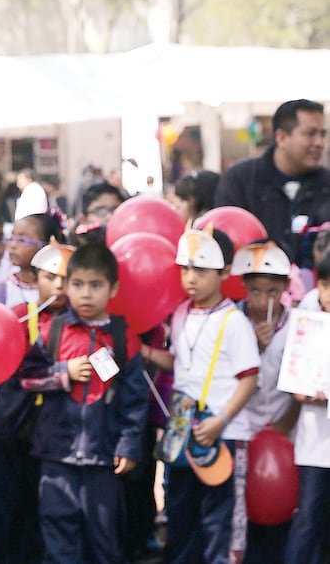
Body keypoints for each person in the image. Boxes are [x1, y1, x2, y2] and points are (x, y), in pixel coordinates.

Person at [19, 242, 146, 564]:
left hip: (102, 459)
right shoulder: (53, 331)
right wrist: (64, 373)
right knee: (58, 537)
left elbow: (135, 400)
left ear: (113, 288)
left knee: (104, 539)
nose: (85, 294)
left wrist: (128, 446)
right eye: (77, 284)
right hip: (56, 456)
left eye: (95, 285)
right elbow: (27, 378)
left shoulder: (122, 338)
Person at [142, 227, 259, 564]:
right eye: (186, 269)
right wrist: (149, 354)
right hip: (182, 430)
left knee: (217, 519)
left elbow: (249, 379)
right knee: (180, 512)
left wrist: (222, 420)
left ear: (223, 273)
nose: (191, 278)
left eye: (201, 271)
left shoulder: (234, 321)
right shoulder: (180, 313)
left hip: (222, 433)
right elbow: (179, 362)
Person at [0, 240, 74, 564]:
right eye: (50, 277)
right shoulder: (19, 317)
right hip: (11, 425)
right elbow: (19, 375)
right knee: (2, 506)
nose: (58, 286)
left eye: (67, 279)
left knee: (41, 512)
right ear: (36, 279)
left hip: (55, 436)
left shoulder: (83, 324)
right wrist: (63, 375)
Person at [230, 240, 298, 563]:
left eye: (272, 291)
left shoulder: (298, 326)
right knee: (242, 507)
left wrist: (287, 425)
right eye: (255, 291)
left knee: (281, 508)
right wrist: (252, 348)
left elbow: (302, 380)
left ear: (285, 288)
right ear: (243, 285)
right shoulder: (233, 322)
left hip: (285, 432)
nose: (262, 300)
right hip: (242, 429)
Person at [214, 99, 330, 267]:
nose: (319, 143)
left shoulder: (327, 184)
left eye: (322, 134)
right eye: (310, 133)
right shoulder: (239, 181)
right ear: (281, 137)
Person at [283, 251, 330, 564]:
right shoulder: (308, 317)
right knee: (308, 514)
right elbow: (294, 377)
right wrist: (300, 391)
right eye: (326, 285)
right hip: (314, 441)